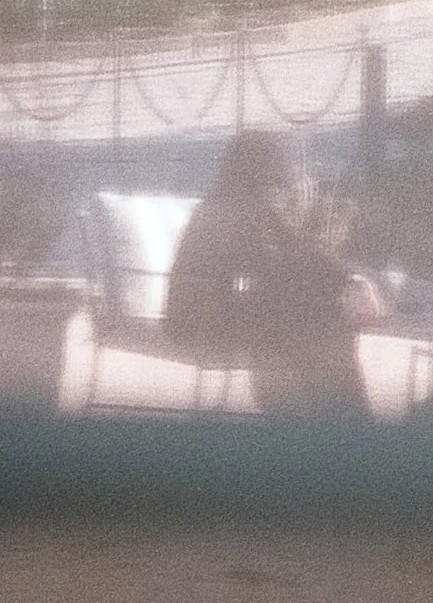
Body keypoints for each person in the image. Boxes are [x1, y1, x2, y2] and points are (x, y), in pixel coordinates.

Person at [163, 129, 382, 414]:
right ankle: (333, 417)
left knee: (316, 316)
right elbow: (276, 263)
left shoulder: (244, 205)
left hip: (225, 308)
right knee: (311, 323)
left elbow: (296, 252)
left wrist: (350, 279)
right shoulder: (230, 212)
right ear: (258, 165)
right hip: (204, 318)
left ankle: (323, 412)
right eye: (275, 159)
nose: (283, 166)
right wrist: (337, 284)